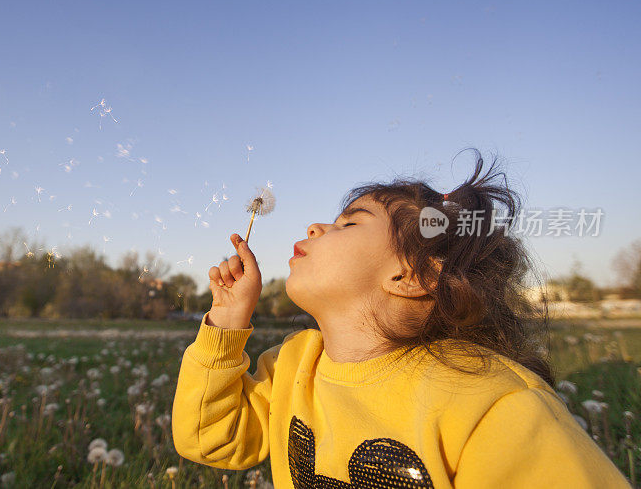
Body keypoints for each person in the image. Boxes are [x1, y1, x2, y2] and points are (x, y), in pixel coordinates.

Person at [171, 148, 631, 488]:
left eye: (350, 223)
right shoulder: (292, 365)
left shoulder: (494, 403)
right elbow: (210, 439)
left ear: (410, 276)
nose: (315, 227)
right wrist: (227, 322)